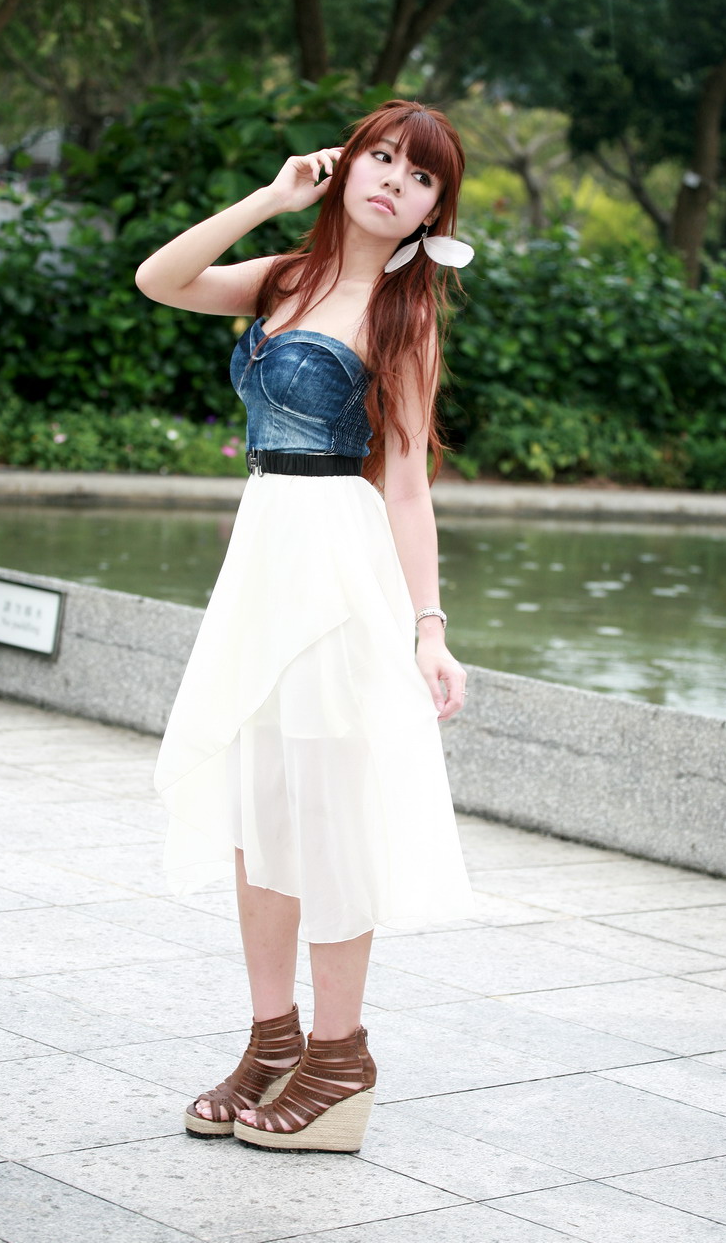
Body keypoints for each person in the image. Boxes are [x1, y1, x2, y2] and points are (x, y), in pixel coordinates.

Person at [135, 98, 475, 1153]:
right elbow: (161, 279)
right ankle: (272, 1037)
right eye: (383, 158)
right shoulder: (285, 276)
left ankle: (338, 1057)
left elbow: (407, 484)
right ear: (346, 164)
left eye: (421, 176)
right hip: (264, 552)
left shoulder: (404, 316)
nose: (394, 182)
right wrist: (271, 198)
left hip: (338, 558)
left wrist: (429, 626)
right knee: (262, 811)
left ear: (432, 210)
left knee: (328, 813)